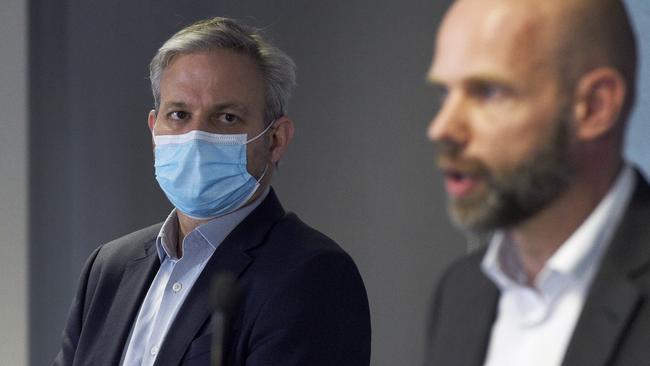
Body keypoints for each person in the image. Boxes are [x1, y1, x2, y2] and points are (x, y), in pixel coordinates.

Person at [54, 17, 371, 366]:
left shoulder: (312, 275)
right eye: (178, 114)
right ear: (153, 130)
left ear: (276, 139)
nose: (196, 135)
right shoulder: (109, 267)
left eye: (227, 118)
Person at [424, 0, 650, 365]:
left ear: (595, 106)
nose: (442, 128)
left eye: (488, 92)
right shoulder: (460, 293)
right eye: (444, 93)